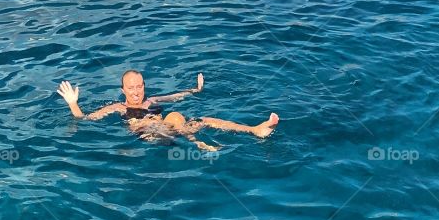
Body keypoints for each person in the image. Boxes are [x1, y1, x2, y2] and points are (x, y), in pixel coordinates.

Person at [57, 70, 279, 150]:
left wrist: (197, 90)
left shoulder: (152, 100)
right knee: (171, 118)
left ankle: (254, 129)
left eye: (139, 86)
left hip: (172, 129)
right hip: (148, 134)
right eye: (131, 88)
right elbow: (85, 119)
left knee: (204, 119)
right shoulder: (118, 107)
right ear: (123, 90)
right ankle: (198, 143)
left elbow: (179, 95)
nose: (136, 92)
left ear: (144, 86)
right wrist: (72, 103)